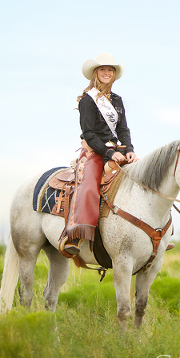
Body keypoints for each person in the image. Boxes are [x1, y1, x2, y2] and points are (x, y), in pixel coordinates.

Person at [58, 52, 138, 257]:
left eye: (110, 70)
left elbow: (123, 130)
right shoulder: (88, 100)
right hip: (95, 150)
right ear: (95, 73)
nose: (106, 72)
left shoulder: (118, 100)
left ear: (114, 74)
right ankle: (74, 234)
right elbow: (89, 134)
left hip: (117, 151)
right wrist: (109, 153)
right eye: (102, 69)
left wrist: (129, 150)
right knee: (88, 186)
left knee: (144, 179)